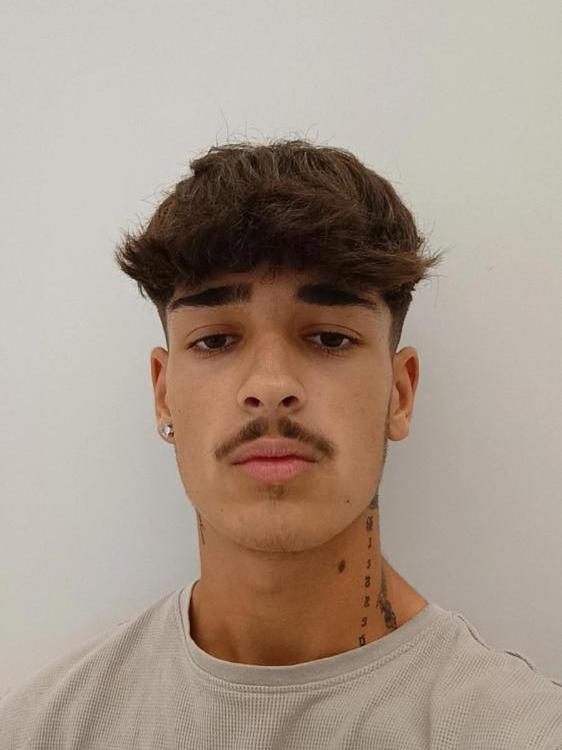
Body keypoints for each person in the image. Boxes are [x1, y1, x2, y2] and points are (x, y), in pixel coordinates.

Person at [1, 139, 560, 749]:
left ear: (399, 393)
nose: (270, 386)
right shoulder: (41, 731)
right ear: (163, 394)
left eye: (329, 338)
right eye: (215, 341)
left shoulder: (523, 732)